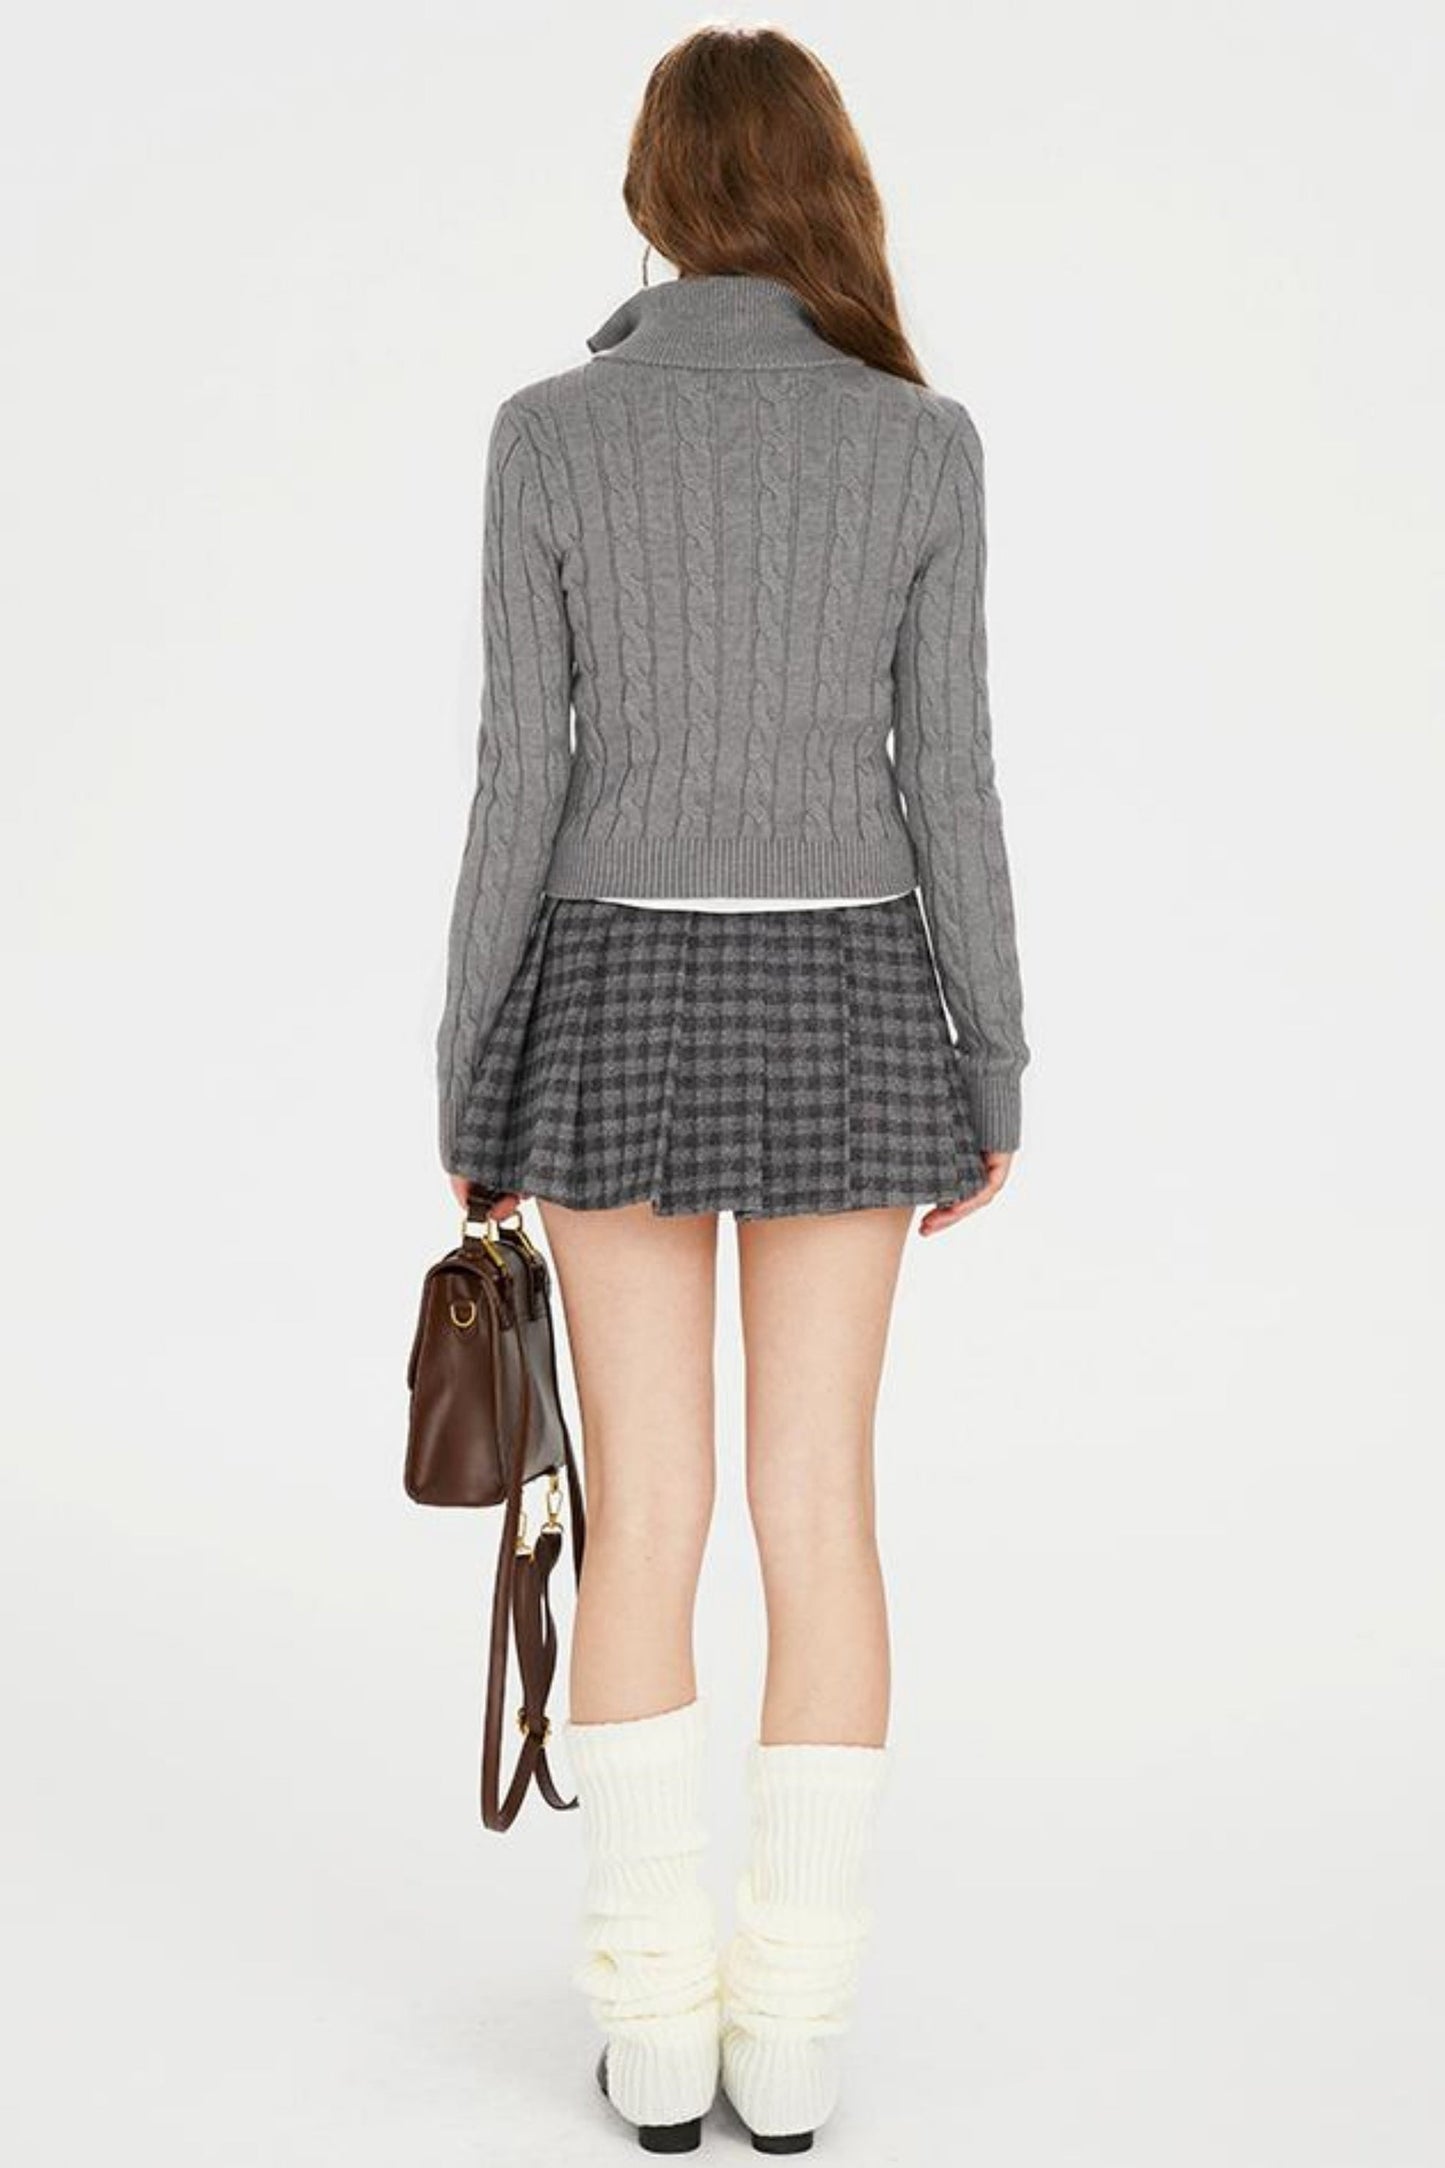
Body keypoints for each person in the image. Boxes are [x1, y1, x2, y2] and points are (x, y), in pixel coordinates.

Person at [433, 24, 1030, 2156]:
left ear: (657, 197)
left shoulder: (547, 434)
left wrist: (469, 1066)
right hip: (854, 983)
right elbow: (950, 779)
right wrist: (993, 1056)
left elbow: (521, 775)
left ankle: (654, 2031)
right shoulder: (920, 443)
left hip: (608, 985)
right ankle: (790, 2039)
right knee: (819, 1511)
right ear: (824, 188)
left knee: (651, 1514)